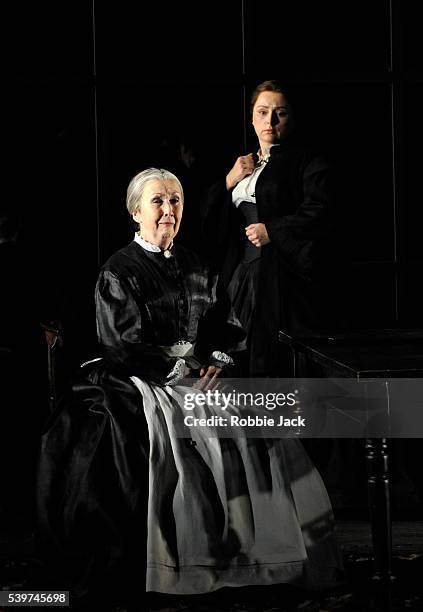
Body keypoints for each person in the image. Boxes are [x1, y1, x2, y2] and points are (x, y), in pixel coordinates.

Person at [36, 168, 342, 608]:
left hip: (199, 372)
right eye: (157, 201)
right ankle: (185, 557)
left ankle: (265, 557)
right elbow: (121, 343)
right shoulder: (118, 270)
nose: (167, 211)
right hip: (143, 376)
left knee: (258, 422)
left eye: (175, 200)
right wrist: (178, 369)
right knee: (181, 434)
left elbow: (226, 326)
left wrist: (218, 357)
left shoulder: (198, 263)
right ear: (135, 211)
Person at [201, 80, 344, 376]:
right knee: (234, 353)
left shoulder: (306, 161)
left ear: (291, 118)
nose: (270, 120)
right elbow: (208, 223)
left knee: (274, 359)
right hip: (242, 273)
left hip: (280, 277)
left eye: (280, 113)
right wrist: (229, 179)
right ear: (252, 117)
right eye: (263, 112)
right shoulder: (244, 164)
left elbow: (321, 212)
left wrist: (273, 231)